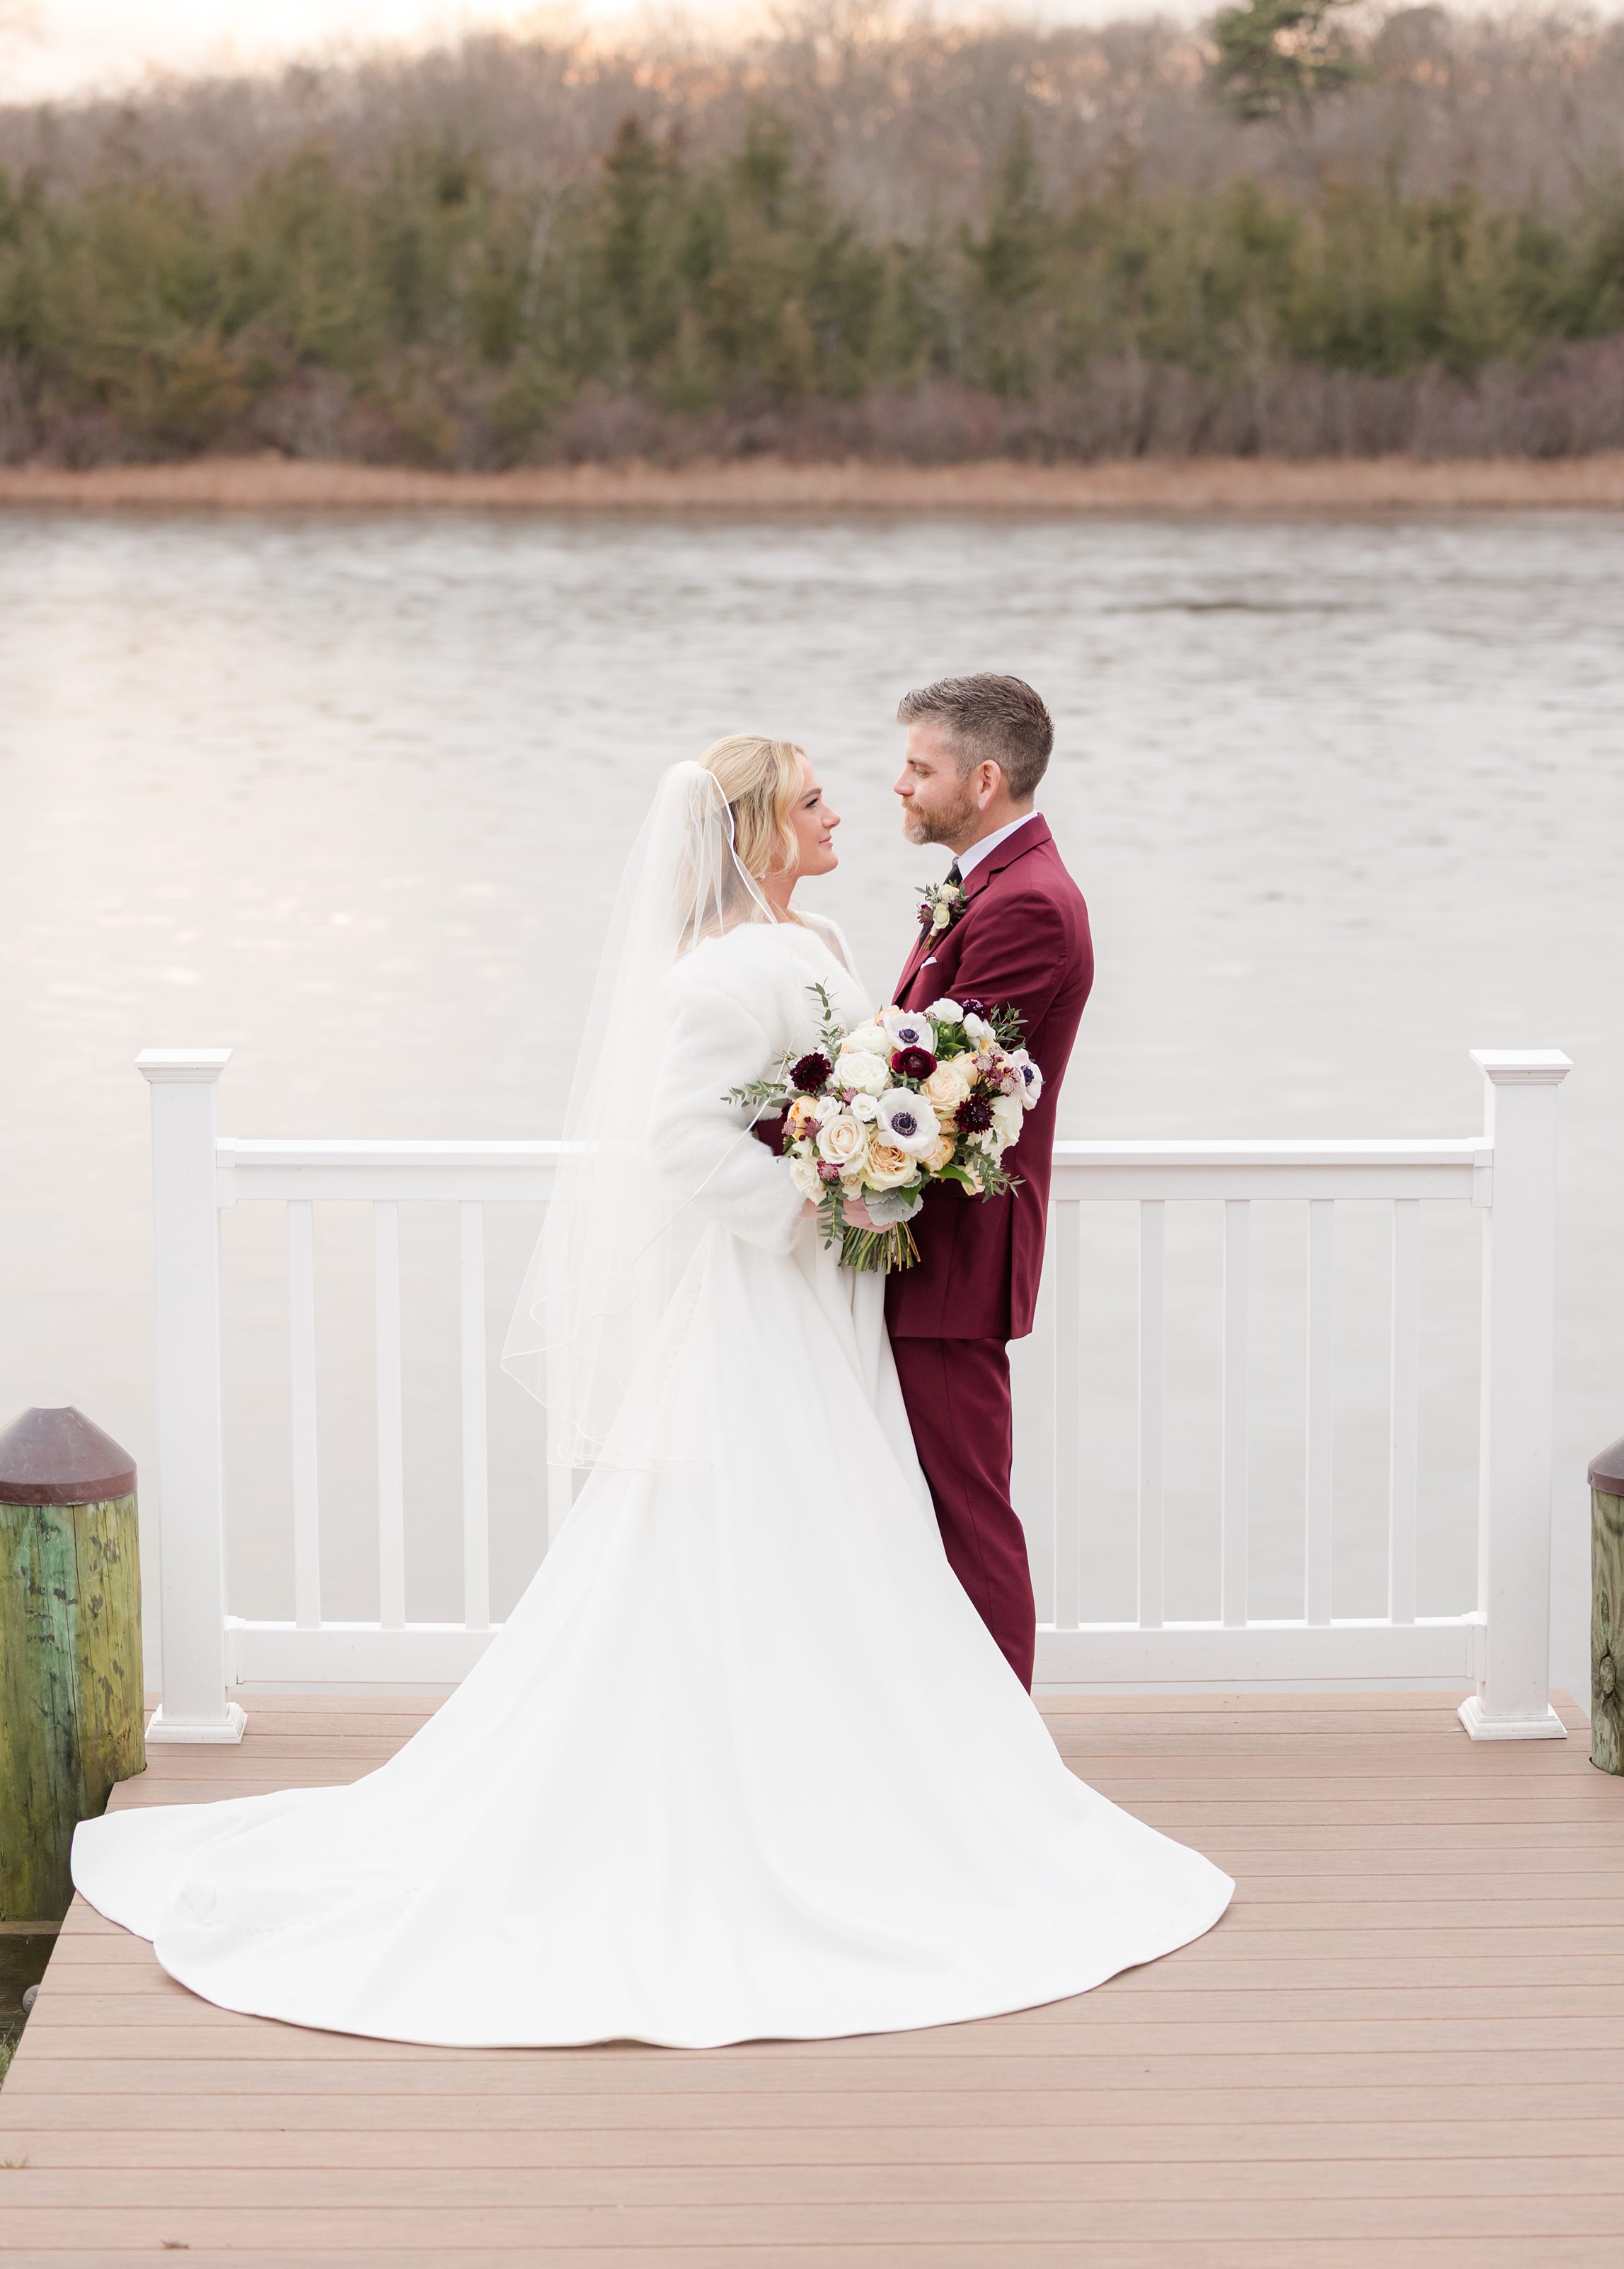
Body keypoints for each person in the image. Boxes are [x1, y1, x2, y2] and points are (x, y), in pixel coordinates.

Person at [70, 735, 1228, 2050]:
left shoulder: (827, 941)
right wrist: (822, 1188)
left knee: (858, 1532)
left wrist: (857, 1155)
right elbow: (682, 1141)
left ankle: (874, 1776)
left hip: (838, 1299)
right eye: (812, 798)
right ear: (753, 830)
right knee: (762, 1529)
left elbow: (872, 1076)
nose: (842, 804)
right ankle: (762, 1792)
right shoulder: (718, 978)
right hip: (768, 1296)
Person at [885, 674, 1093, 1689]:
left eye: (920, 769)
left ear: (985, 778)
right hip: (929, 1262)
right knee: (938, 1511)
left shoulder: (1029, 906)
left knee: (970, 1517)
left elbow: (937, 1096)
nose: (901, 787)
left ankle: (1003, 1750)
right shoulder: (995, 881)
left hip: (955, 1263)